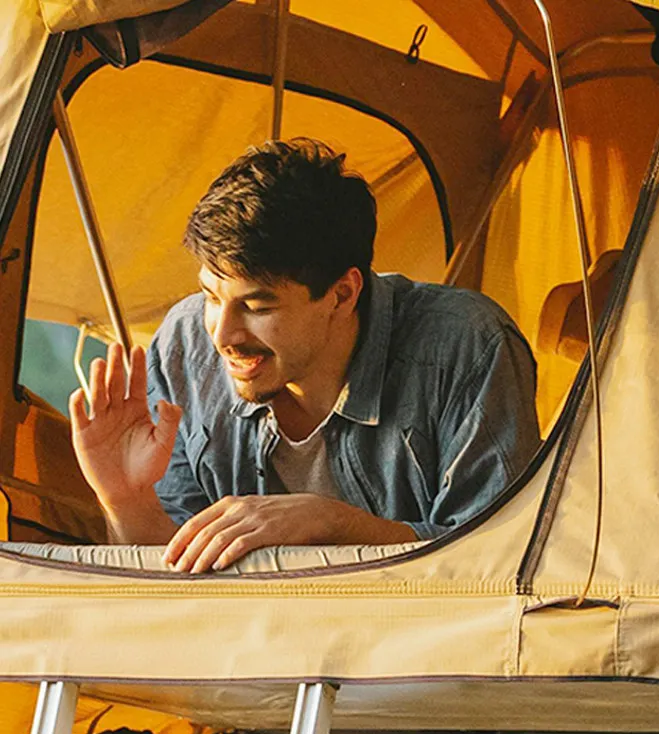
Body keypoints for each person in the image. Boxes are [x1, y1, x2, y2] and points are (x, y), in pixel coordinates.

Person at [69, 139, 539, 573]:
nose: (222, 334)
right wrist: (127, 500)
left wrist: (333, 525)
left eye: (257, 306)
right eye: (211, 297)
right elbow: (180, 584)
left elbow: (499, 563)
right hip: (246, 651)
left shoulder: (467, 346)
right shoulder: (185, 342)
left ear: (341, 294)